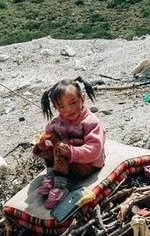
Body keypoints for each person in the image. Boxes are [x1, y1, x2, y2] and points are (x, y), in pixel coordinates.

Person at [32, 77, 106, 209]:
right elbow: (48, 134)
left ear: (82, 98)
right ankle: (51, 176)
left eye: (73, 103)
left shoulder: (91, 122)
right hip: (65, 163)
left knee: (60, 148)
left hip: (87, 164)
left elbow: (94, 150)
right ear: (55, 107)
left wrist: (71, 152)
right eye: (61, 106)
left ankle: (60, 187)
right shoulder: (58, 121)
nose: (68, 110)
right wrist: (42, 144)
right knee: (47, 138)